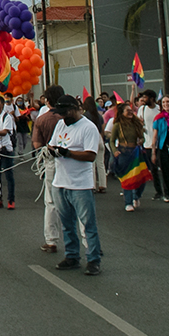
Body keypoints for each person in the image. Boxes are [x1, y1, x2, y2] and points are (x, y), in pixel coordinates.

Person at [47, 97, 103, 275]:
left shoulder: (88, 128)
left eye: (64, 113)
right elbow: (53, 144)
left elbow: (90, 156)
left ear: (74, 109)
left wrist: (68, 153)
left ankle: (93, 259)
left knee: (88, 224)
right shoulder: (61, 124)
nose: (62, 117)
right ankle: (71, 256)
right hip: (60, 181)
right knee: (66, 223)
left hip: (80, 185)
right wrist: (52, 151)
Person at [33, 85, 68, 253]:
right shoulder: (69, 117)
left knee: (51, 201)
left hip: (51, 161)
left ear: (47, 101)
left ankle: (51, 240)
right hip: (72, 161)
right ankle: (88, 242)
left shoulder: (42, 119)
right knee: (78, 202)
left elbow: (37, 144)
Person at [106, 100, 145, 212]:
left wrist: (141, 141)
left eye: (131, 110)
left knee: (140, 178)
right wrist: (114, 151)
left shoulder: (136, 124)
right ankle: (128, 202)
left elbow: (142, 137)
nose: (130, 112)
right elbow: (111, 140)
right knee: (127, 178)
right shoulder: (117, 125)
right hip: (123, 152)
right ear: (122, 113)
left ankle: (136, 196)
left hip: (135, 152)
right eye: (127, 110)